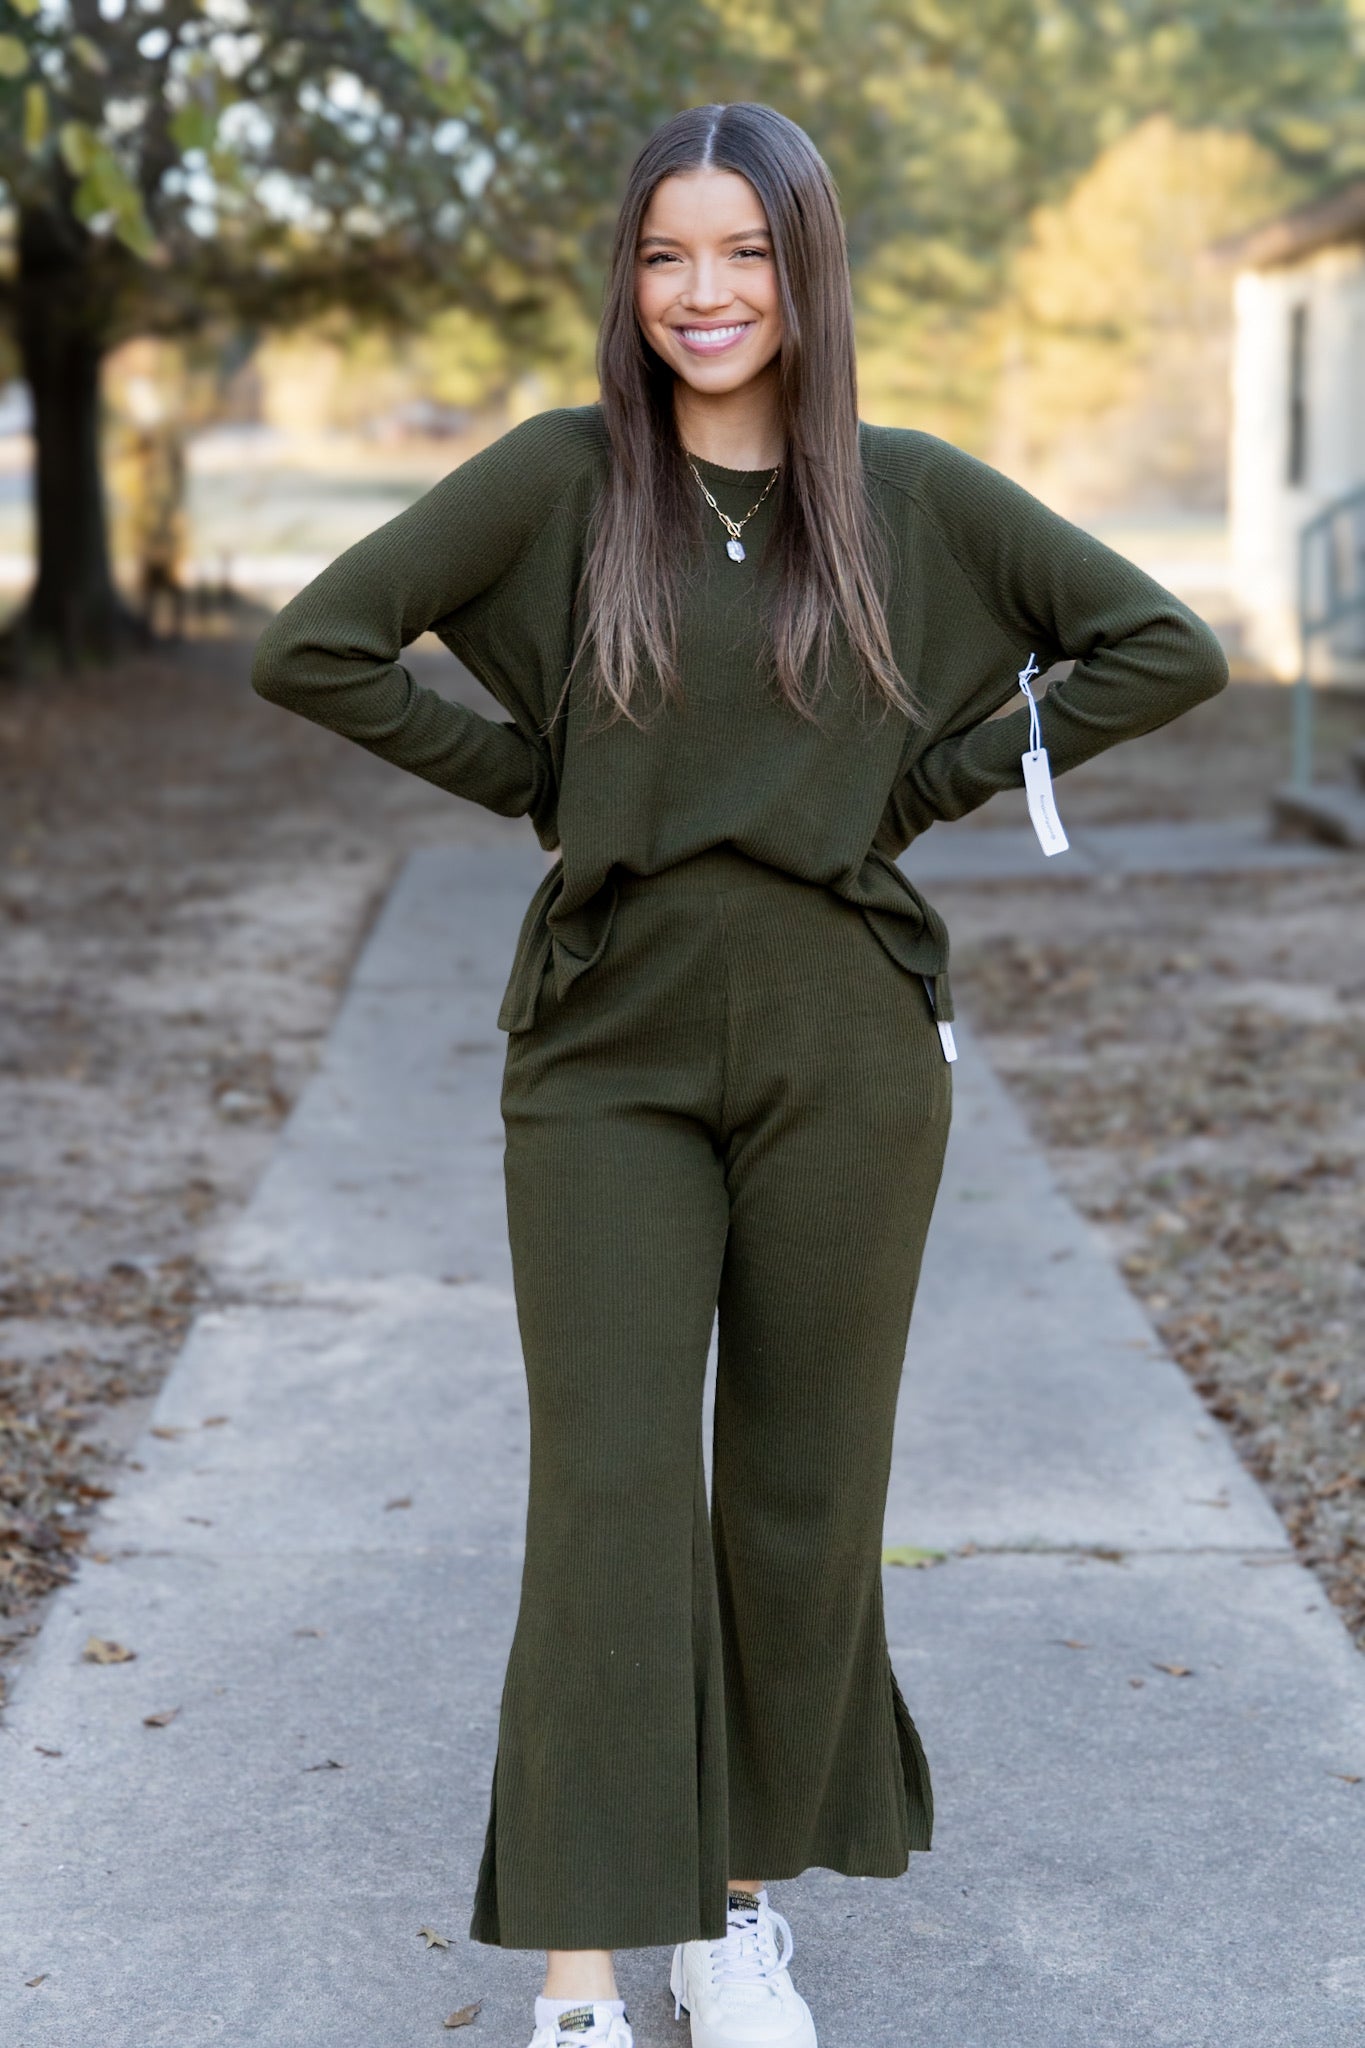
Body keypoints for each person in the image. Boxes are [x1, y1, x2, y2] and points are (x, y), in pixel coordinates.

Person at [250, 101, 1227, 2048]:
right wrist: (535, 774)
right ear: (626, 278)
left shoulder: (911, 499)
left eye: (744, 253)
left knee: (794, 1499)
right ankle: (583, 1974)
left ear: (806, 271)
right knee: (607, 1492)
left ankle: (733, 1913)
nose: (703, 294)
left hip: (844, 1045)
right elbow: (319, 646)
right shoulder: (554, 484)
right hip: (602, 1044)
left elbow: (1156, 643)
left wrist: (925, 780)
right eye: (664, 254)